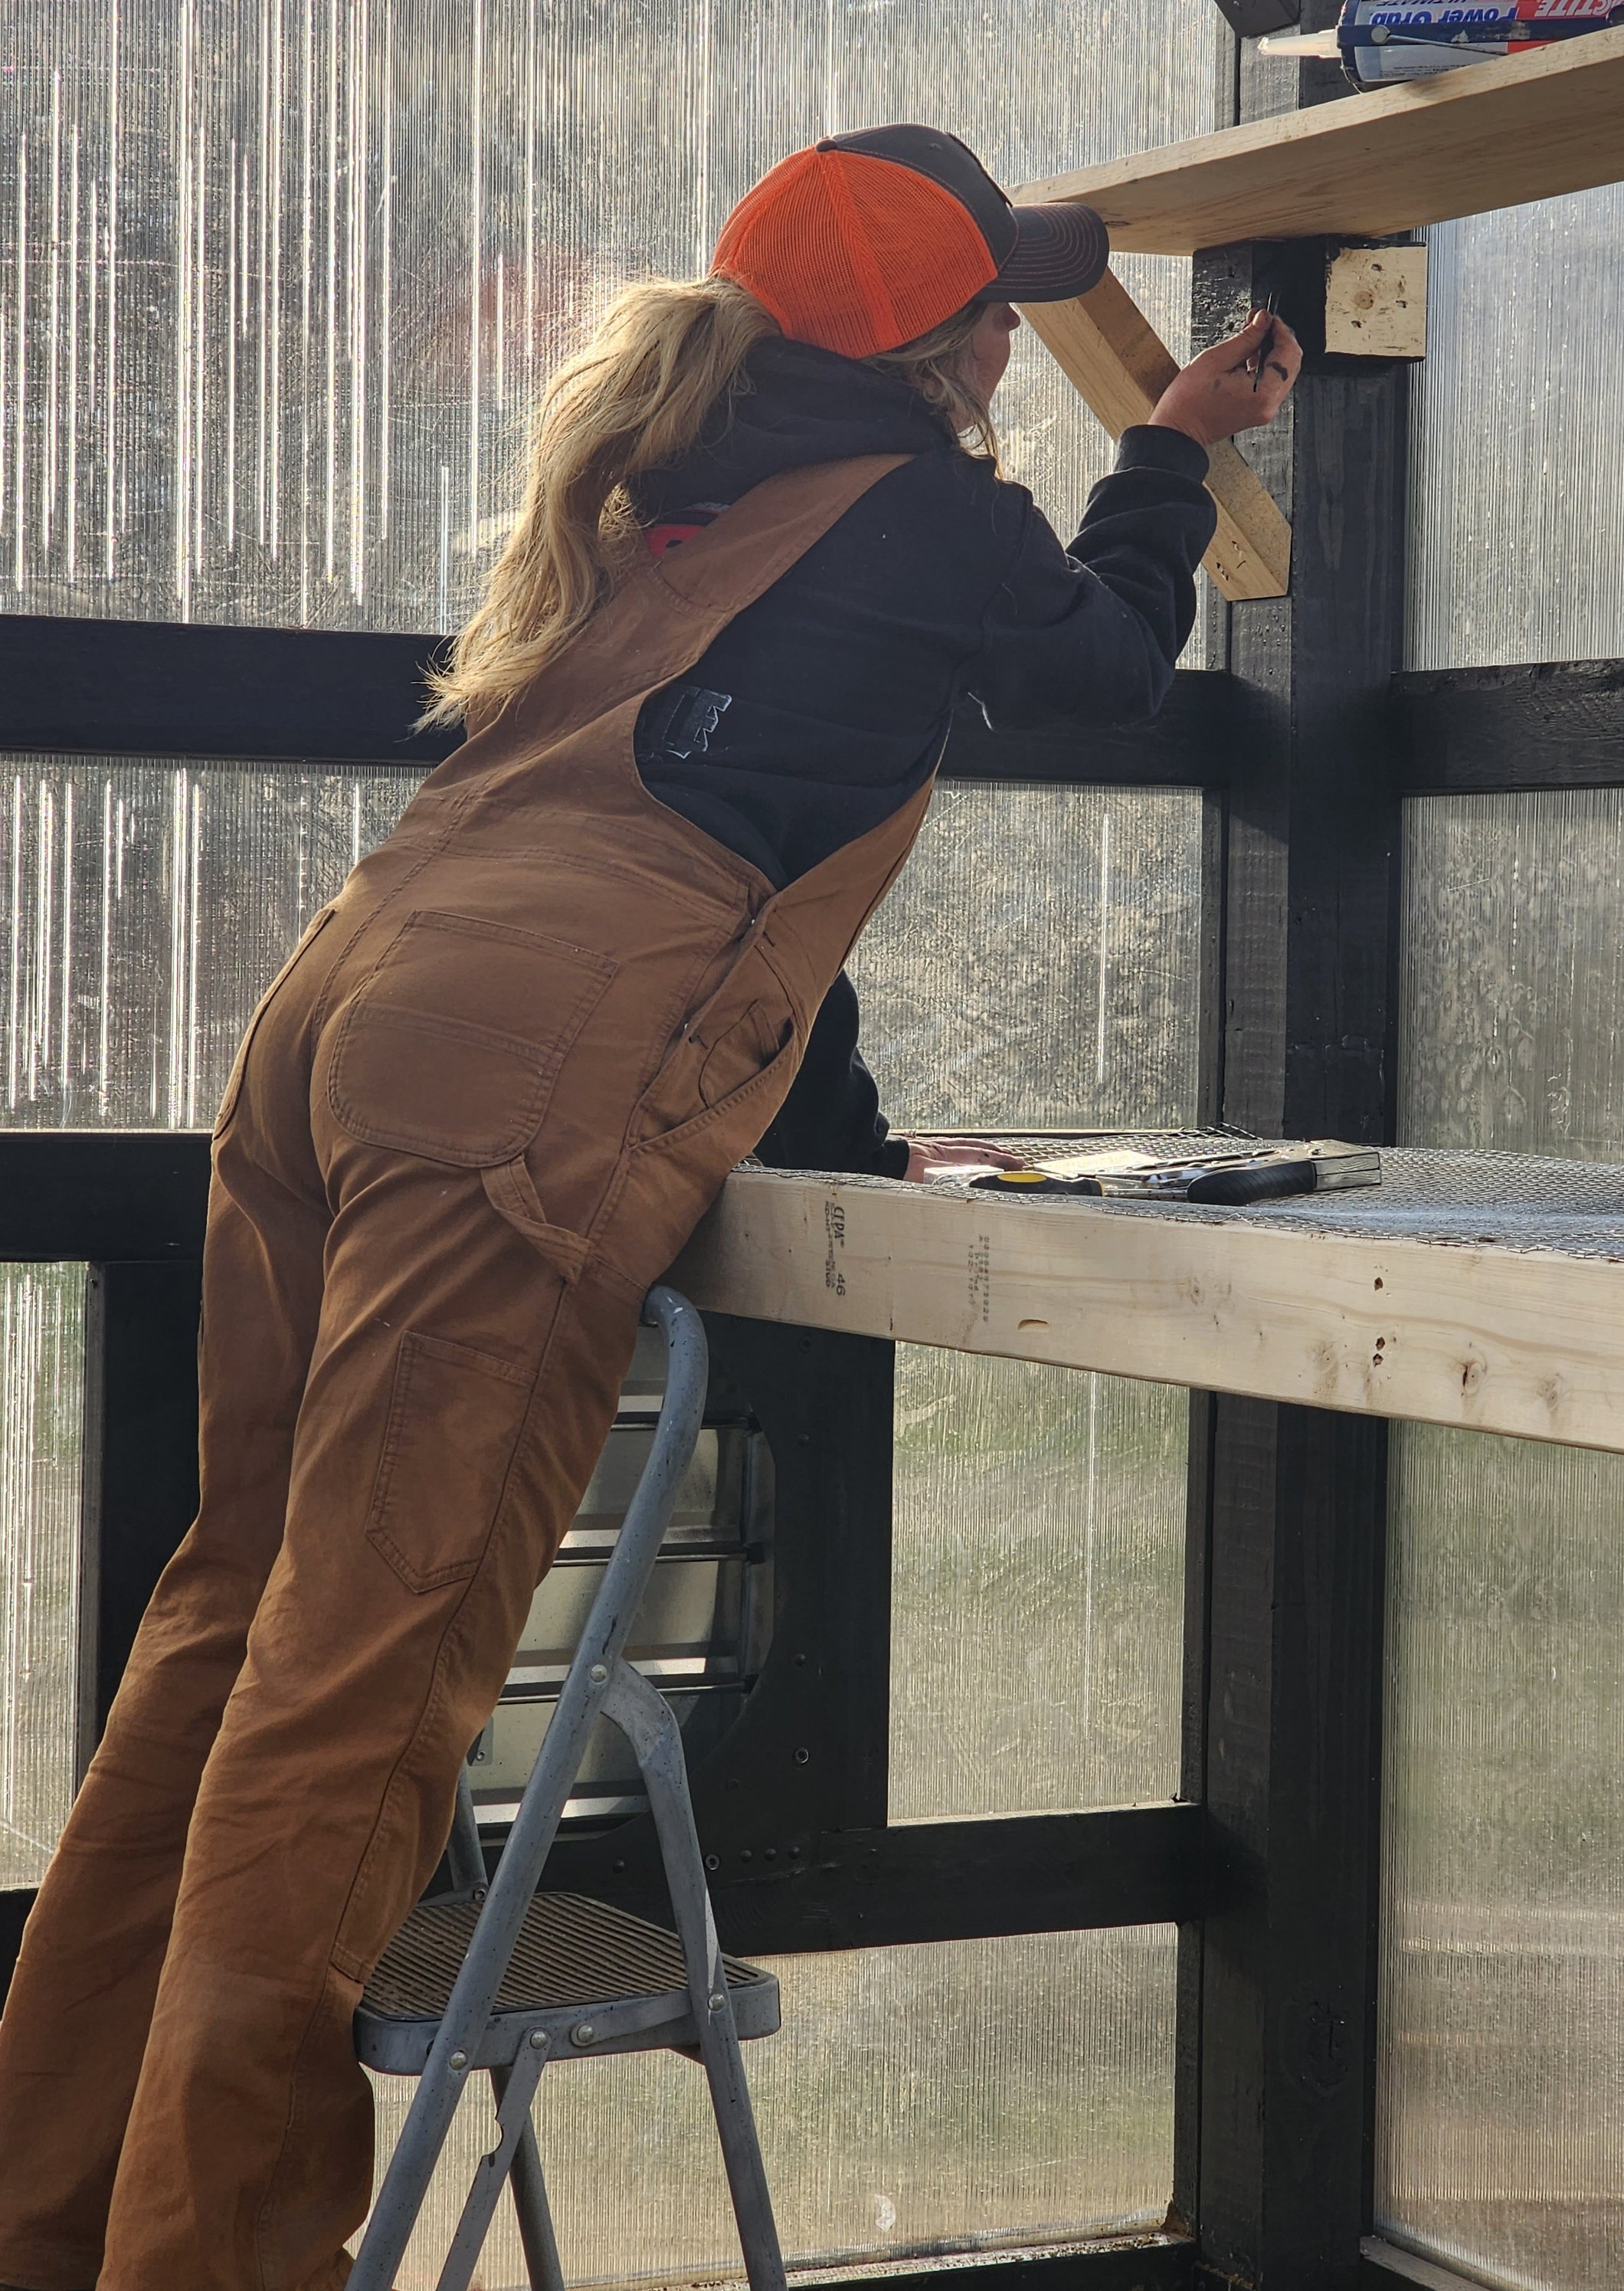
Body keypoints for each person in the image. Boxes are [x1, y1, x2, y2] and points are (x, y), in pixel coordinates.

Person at [0, 123, 1299, 2291]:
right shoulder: (924, 508)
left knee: (237, 1615)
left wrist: (836, 1137)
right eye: (999, 309)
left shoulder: (660, 476)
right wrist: (1172, 449)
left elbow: (751, 863)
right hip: (512, 1073)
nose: (1012, 340)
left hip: (345, 1020)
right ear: (954, 349)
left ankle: (46, 2224)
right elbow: (1099, 670)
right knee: (356, 1684)